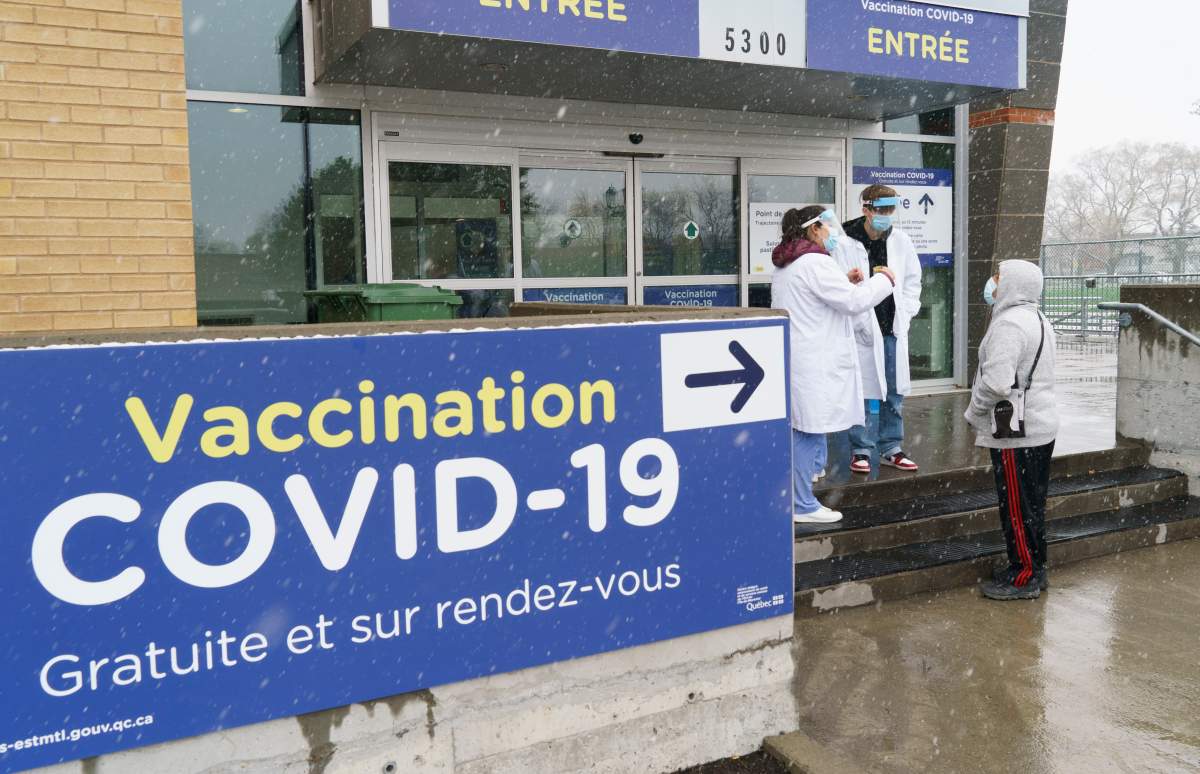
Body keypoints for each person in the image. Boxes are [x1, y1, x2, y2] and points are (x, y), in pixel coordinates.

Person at [772, 205, 896, 524]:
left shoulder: (792, 264)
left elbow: (821, 298)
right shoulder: (814, 262)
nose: (833, 234)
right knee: (808, 432)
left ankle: (803, 492)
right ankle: (801, 504)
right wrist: (884, 280)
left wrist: (844, 281)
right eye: (828, 228)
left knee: (805, 429)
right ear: (814, 230)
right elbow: (854, 303)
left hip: (801, 359)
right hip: (813, 362)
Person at [964, 260, 1059, 600]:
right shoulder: (1038, 319)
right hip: (1041, 425)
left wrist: (973, 413)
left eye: (999, 277)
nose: (993, 283)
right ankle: (1034, 565)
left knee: (1017, 507)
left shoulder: (1009, 325)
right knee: (1032, 503)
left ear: (1014, 284)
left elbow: (996, 383)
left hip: (1018, 431)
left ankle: (1024, 575)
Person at [835, 185, 923, 475]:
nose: (886, 216)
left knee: (894, 391)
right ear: (866, 209)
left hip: (892, 326)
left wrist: (907, 314)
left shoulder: (901, 240)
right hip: (859, 328)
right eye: (880, 210)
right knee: (859, 391)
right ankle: (860, 448)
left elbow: (912, 282)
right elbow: (834, 284)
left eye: (890, 210)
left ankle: (891, 447)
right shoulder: (844, 241)